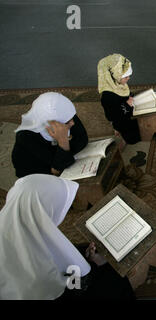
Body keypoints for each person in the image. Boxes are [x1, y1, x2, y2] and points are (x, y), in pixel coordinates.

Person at [0, 174, 135, 299]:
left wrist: (87, 258)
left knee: (82, 250)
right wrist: (94, 265)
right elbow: (75, 287)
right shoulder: (39, 277)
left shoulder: (14, 224)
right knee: (112, 278)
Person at [11, 92, 88, 178]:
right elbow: (58, 171)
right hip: (36, 175)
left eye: (72, 117)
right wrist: (63, 141)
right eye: (67, 122)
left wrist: (63, 153)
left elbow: (82, 140)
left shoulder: (62, 115)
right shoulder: (27, 137)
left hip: (53, 163)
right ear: (48, 124)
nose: (73, 123)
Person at [97, 53, 141, 144]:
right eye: (126, 77)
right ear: (114, 75)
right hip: (120, 119)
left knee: (147, 121)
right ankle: (118, 130)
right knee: (135, 138)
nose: (128, 78)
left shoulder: (118, 82)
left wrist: (130, 97)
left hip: (129, 112)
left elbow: (124, 95)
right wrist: (127, 105)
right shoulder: (107, 95)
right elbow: (111, 116)